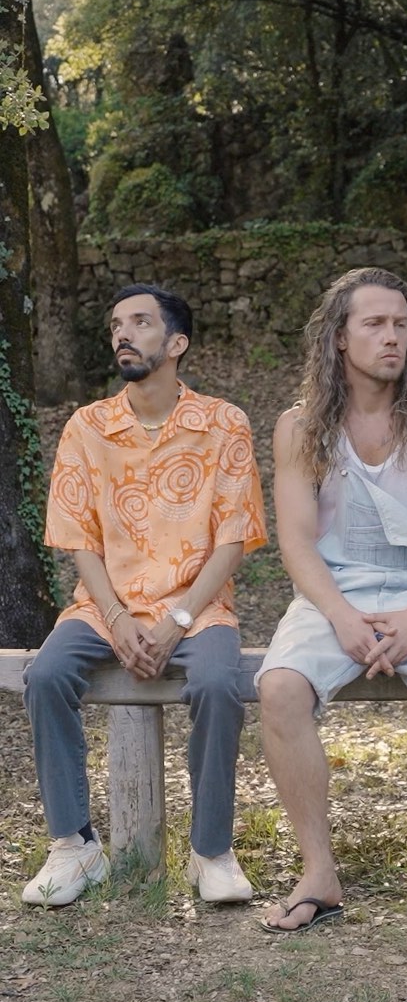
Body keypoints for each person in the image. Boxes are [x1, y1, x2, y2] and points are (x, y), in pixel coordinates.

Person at [256, 267, 407, 935]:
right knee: (278, 688)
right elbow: (297, 543)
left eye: (401, 324)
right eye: (375, 324)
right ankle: (318, 874)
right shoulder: (300, 427)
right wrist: (341, 616)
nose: (393, 337)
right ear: (339, 336)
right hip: (333, 593)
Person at [22, 283, 267, 906]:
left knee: (217, 684)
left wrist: (177, 618)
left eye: (139, 322)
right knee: (45, 674)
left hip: (198, 606)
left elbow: (233, 539)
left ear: (177, 343)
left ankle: (211, 852)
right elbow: (78, 536)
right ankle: (75, 846)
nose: (122, 334)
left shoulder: (223, 423)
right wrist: (115, 615)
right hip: (104, 605)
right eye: (115, 325)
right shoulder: (88, 426)